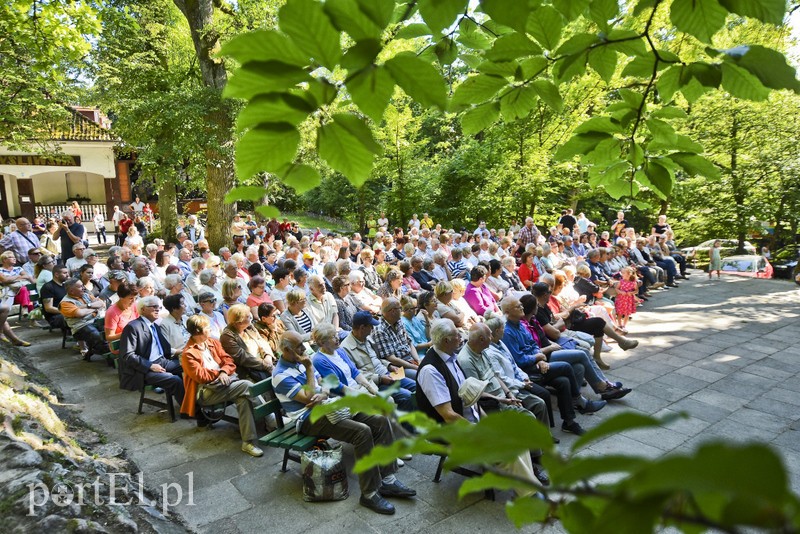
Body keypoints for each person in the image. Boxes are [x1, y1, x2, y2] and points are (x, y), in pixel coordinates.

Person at [274, 330, 415, 515]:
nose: (304, 348)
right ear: (286, 349)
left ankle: (387, 480)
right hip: (309, 419)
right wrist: (309, 368)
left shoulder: (299, 361)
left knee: (380, 420)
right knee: (361, 432)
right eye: (299, 346)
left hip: (329, 407)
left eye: (303, 344)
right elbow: (308, 398)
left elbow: (323, 385)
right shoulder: (281, 374)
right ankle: (369, 493)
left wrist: (323, 392)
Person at [415, 319, 542, 492]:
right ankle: (529, 492)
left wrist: (487, 416)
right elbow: (449, 416)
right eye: (456, 335)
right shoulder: (431, 370)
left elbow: (469, 398)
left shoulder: (450, 357)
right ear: (446, 341)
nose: (462, 337)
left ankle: (529, 483)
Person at [181, 314, 263, 456]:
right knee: (245, 385)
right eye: (207, 327)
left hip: (225, 383)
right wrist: (220, 374)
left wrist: (225, 371)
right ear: (198, 331)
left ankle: (248, 442)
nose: (211, 329)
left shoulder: (213, 342)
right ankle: (271, 418)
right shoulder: (188, 354)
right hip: (206, 392)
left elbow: (228, 360)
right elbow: (201, 376)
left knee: (243, 399)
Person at [340, 311, 416, 412]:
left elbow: (377, 358)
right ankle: (407, 425)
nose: (372, 329)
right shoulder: (346, 348)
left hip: (388, 374)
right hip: (374, 384)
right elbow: (356, 375)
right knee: (406, 396)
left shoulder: (367, 339)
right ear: (362, 328)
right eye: (371, 326)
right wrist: (380, 379)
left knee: (416, 386)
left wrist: (389, 366)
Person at [118, 295, 184, 405]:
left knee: (189, 365)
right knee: (175, 380)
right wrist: (150, 366)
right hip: (142, 369)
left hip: (161, 361)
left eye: (159, 307)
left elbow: (163, 348)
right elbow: (128, 355)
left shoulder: (154, 325)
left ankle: (196, 402)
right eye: (154, 306)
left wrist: (181, 352)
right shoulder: (133, 327)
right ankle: (190, 412)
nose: (157, 309)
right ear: (143, 309)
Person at [220, 303, 275, 382]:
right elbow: (242, 357)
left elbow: (262, 341)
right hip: (250, 370)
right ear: (239, 322)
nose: (251, 317)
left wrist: (268, 356)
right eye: (248, 317)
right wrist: (265, 365)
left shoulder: (249, 326)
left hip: (267, 362)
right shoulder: (227, 336)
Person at [59, 278, 108, 359]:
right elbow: (80, 314)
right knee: (98, 337)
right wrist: (95, 308)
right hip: (81, 327)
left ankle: (112, 350)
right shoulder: (65, 303)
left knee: (113, 330)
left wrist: (87, 306)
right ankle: (109, 354)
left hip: (96, 320)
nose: (84, 288)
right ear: (71, 291)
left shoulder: (86, 295)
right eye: (80, 286)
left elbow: (101, 303)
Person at [371, 297, 420, 379]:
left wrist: (418, 360)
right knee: (421, 375)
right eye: (400, 308)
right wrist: (414, 366)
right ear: (393, 311)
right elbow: (392, 359)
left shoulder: (398, 321)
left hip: (410, 360)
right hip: (398, 367)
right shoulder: (380, 330)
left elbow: (409, 343)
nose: (402, 310)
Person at [104, 282, 139, 354]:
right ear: (121, 297)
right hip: (121, 345)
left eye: (136, 298)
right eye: (131, 298)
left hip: (135, 340)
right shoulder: (112, 312)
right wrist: (126, 333)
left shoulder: (134, 305)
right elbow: (109, 337)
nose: (134, 301)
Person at [41, 265, 69, 331]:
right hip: (55, 317)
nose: (67, 275)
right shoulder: (48, 287)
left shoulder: (65, 285)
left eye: (67, 273)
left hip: (67, 311)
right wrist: (68, 311)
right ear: (56, 274)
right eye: (65, 273)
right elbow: (48, 308)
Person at [615, 267, 638, 334]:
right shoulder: (621, 282)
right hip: (621, 299)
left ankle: (624, 325)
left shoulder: (633, 283)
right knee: (619, 312)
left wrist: (631, 293)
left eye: (623, 273)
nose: (622, 274)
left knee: (627, 313)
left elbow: (636, 291)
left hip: (628, 300)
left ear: (629, 274)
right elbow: (616, 289)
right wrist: (620, 292)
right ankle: (619, 325)